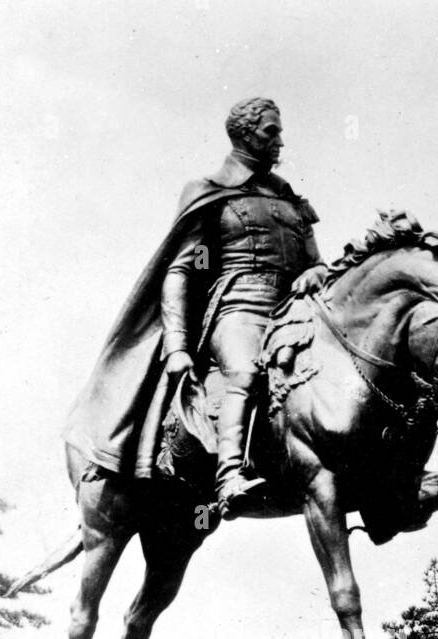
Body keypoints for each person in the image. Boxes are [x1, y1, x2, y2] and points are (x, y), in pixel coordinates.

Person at [63, 97, 328, 518]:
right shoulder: (210, 192)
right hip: (238, 310)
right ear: (244, 135)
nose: (280, 140)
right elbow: (182, 270)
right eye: (270, 132)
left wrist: (316, 272)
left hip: (293, 313)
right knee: (243, 371)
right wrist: (179, 346)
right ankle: (229, 475)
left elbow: (316, 262)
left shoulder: (290, 199)